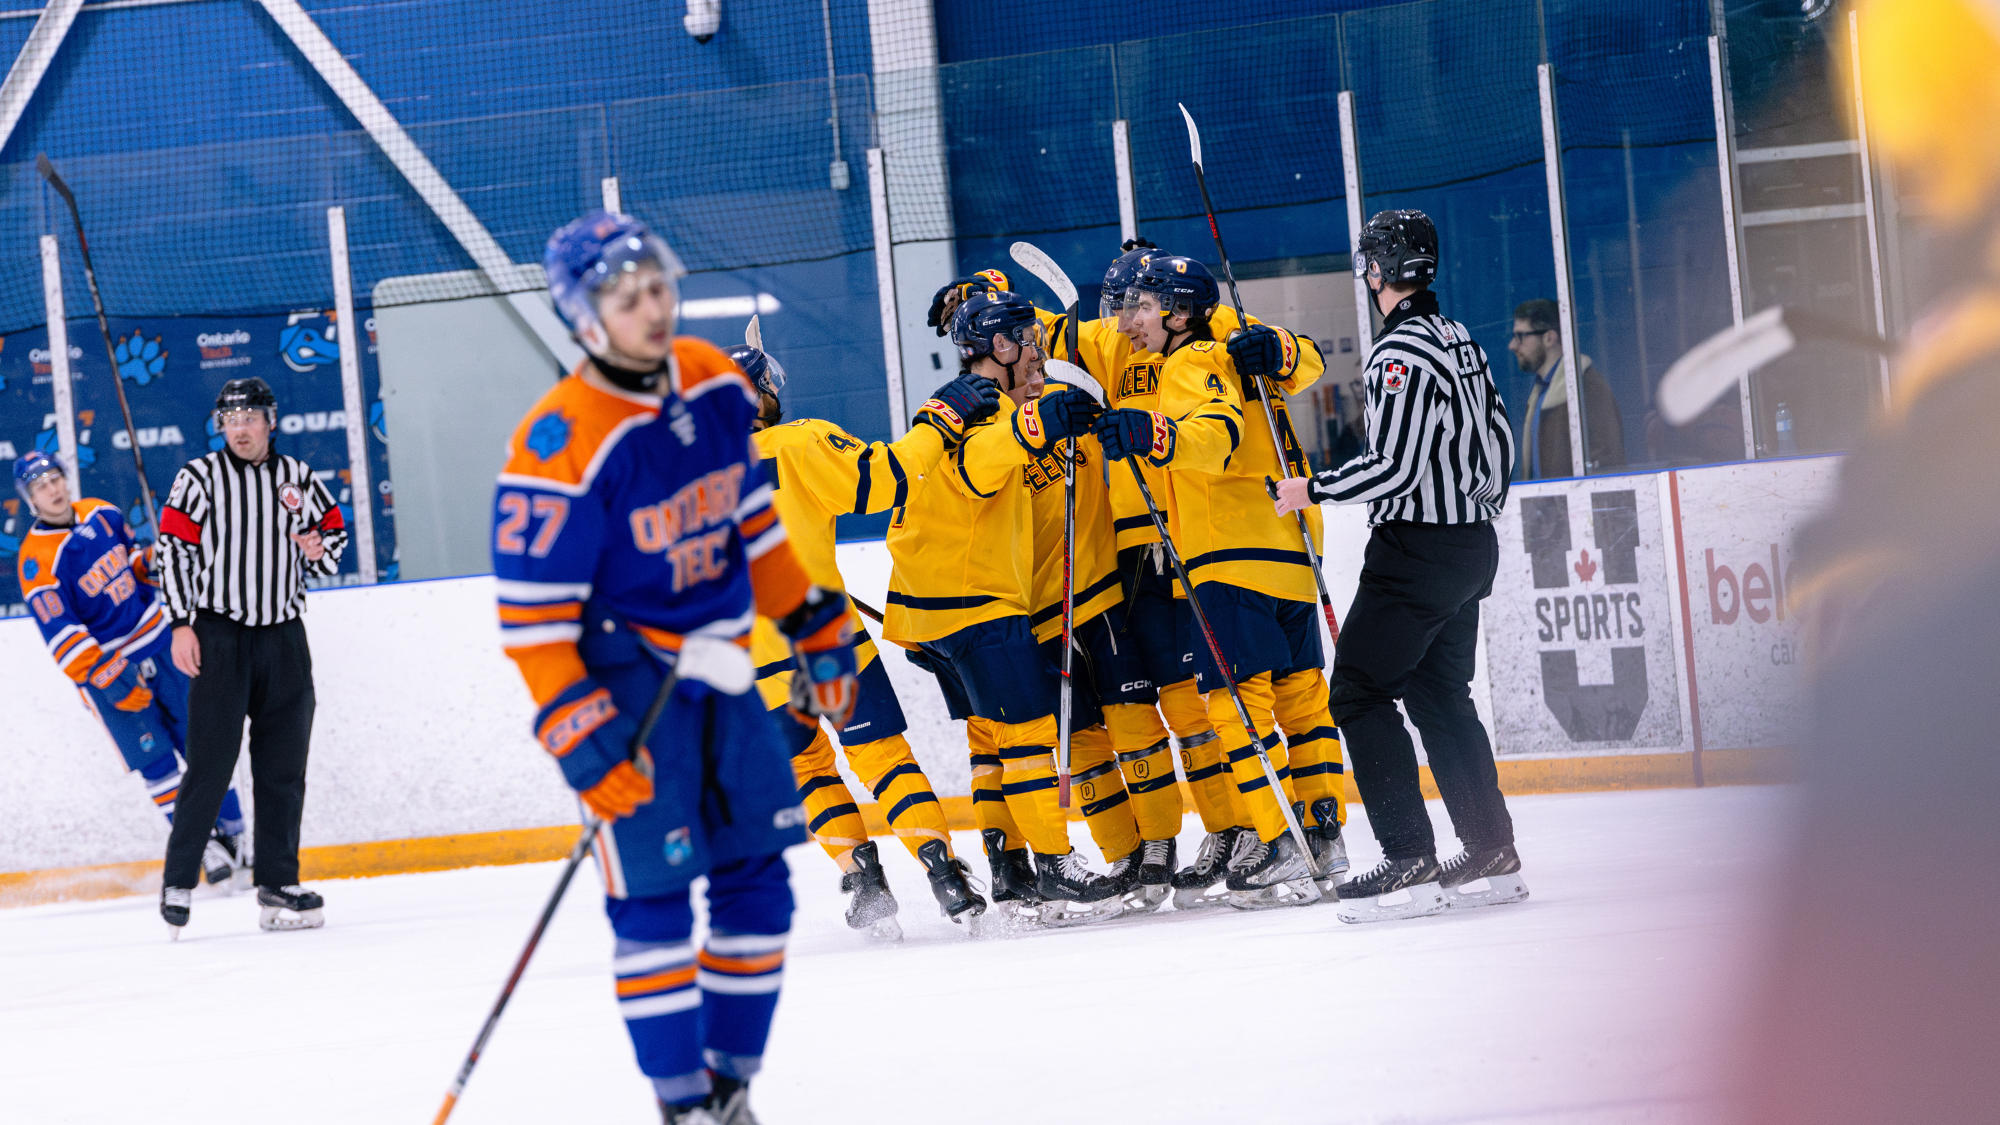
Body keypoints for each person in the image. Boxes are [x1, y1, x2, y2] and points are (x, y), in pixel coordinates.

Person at [496, 211, 861, 1122]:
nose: (653, 308)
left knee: (762, 886)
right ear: (586, 317)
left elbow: (753, 525)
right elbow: (533, 625)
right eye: (628, 298)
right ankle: (680, 1103)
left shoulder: (714, 381)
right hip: (627, 694)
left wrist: (811, 617)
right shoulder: (556, 444)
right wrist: (581, 736)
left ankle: (730, 1085)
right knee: (653, 905)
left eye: (657, 286)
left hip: (728, 675)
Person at [1271, 209, 1523, 923]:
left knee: (1355, 690)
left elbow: (1395, 465)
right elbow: (1499, 439)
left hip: (1416, 551)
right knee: (1440, 694)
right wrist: (1477, 511)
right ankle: (1491, 847)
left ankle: (1408, 855)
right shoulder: (1460, 337)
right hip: (1470, 545)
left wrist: (1310, 488)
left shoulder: (1399, 353)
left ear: (1378, 270)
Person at [1093, 254, 1347, 910]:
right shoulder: (1231, 343)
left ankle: (1275, 837)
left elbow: (1217, 436)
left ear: (1178, 309)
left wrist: (1151, 432)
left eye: (1141, 307)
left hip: (1227, 552)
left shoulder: (1189, 360)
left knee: (1236, 706)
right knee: (1302, 702)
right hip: (1290, 542)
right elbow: (1302, 368)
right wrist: (1284, 349)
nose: (1128, 321)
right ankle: (1324, 835)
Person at [736, 339, 998, 937]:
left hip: (752, 663)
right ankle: (943, 872)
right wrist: (944, 418)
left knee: (807, 771)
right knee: (881, 758)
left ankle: (866, 880)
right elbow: (884, 482)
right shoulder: (799, 441)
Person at [882, 289, 1121, 925]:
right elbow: (982, 463)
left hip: (930, 609)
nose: (1041, 352)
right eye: (1030, 341)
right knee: (1026, 739)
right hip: (974, 603)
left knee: (990, 743)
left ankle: (1011, 874)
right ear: (1001, 349)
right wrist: (1040, 424)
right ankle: (1052, 863)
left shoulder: (957, 405)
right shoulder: (982, 411)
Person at [155, 376, 345, 936]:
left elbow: (331, 546)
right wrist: (181, 622)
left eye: (249, 418)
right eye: (230, 420)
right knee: (211, 763)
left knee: (283, 768)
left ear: (270, 422)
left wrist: (317, 549)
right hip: (219, 634)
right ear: (222, 427)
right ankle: (178, 879)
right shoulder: (199, 477)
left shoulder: (299, 479)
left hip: (284, 637)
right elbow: (173, 550)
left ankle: (278, 881)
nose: (239, 429)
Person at [13, 452, 249, 888]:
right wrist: (109, 677)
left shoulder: (103, 512)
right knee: (156, 762)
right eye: (40, 485)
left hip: (161, 645)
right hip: (112, 668)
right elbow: (60, 633)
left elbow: (135, 567)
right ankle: (201, 846)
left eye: (55, 477)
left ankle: (237, 835)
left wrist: (154, 561)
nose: (53, 489)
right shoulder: (36, 560)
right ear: (30, 499)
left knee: (203, 744)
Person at [1509, 297, 1625, 478]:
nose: (1513, 345)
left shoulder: (1585, 387)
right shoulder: (1540, 392)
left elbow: (1608, 462)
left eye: (1520, 336)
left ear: (1549, 337)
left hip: (1574, 505)